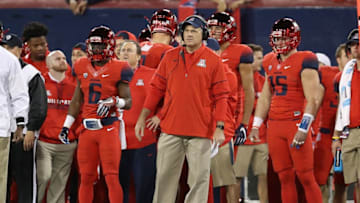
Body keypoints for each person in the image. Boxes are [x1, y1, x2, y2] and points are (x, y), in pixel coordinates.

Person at [135, 15, 230, 203]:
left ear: (203, 33)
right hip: (170, 130)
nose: (189, 34)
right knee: (164, 179)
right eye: (186, 31)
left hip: (201, 131)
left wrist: (219, 127)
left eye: (194, 31)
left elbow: (221, 96)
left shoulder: (213, 60)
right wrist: (143, 116)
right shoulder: (169, 56)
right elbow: (156, 89)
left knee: (198, 181)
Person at [249, 17, 323, 202]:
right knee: (284, 176)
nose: (281, 43)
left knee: (305, 176)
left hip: (295, 123)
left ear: (294, 38)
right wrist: (256, 125)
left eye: (285, 38)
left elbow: (313, 99)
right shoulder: (269, 60)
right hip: (275, 125)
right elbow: (266, 96)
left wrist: (304, 128)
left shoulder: (305, 59)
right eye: (278, 39)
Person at [58, 25, 132, 203]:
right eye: (94, 46)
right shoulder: (81, 65)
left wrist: (114, 101)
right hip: (87, 130)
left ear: (110, 46)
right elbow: (77, 100)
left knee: (111, 176)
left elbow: (128, 102)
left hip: (108, 128)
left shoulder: (120, 67)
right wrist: (66, 125)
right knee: (86, 177)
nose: (97, 49)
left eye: (100, 46)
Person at [207, 12, 254, 202]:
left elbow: (249, 90)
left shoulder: (240, 52)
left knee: (229, 173)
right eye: (211, 28)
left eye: (218, 28)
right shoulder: (205, 50)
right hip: (207, 118)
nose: (214, 31)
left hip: (229, 119)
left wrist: (243, 123)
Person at [2, 33, 47, 203]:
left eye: (9, 48)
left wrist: (32, 130)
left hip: (23, 135)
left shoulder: (30, 73)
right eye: (2, 48)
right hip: (4, 133)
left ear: (20, 50)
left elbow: (39, 105)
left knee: (25, 180)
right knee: (2, 180)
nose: (4, 52)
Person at [35, 50, 77, 203]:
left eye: (64, 58)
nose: (62, 60)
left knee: (59, 186)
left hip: (66, 144)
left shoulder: (74, 85)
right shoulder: (40, 83)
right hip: (44, 143)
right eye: (57, 58)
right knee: (43, 178)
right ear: (48, 64)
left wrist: (74, 134)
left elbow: (80, 112)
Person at [118, 40, 157, 203]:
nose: (125, 53)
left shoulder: (151, 74)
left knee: (145, 186)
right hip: (117, 141)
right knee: (119, 187)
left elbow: (170, 97)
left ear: (139, 56)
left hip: (143, 139)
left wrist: (160, 116)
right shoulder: (111, 75)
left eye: (129, 50)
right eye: (122, 50)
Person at [234, 43, 268, 203]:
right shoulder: (240, 82)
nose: (260, 61)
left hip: (263, 138)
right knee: (236, 177)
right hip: (243, 137)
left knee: (264, 176)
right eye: (257, 58)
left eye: (262, 58)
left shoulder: (265, 82)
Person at [0, 24, 29, 203]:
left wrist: (20, 122)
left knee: (1, 178)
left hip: (0, 129)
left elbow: (19, 93)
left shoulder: (8, 60)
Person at [333, 28, 360, 203]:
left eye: (359, 44)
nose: (356, 48)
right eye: (353, 45)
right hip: (349, 132)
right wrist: (336, 137)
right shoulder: (345, 75)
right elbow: (342, 108)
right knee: (355, 182)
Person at [312, 52, 338, 203]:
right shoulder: (318, 82)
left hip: (339, 140)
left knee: (339, 179)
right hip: (325, 137)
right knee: (320, 179)